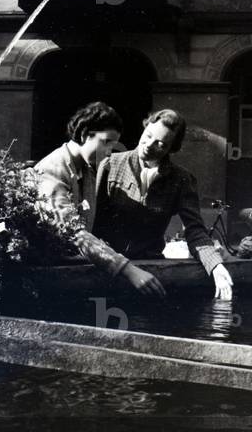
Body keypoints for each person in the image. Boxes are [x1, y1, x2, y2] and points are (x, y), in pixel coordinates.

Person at [93, 108, 234, 300]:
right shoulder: (110, 165)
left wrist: (215, 266)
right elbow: (93, 222)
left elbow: (195, 231)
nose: (149, 145)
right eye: (148, 135)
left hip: (151, 270)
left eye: (160, 144)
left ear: (171, 148)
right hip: (109, 267)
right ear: (144, 128)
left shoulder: (181, 180)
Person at [34, 102, 166, 298]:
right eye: (106, 142)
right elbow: (73, 233)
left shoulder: (86, 169)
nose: (109, 151)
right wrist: (129, 270)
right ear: (85, 135)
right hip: (45, 279)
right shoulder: (52, 170)